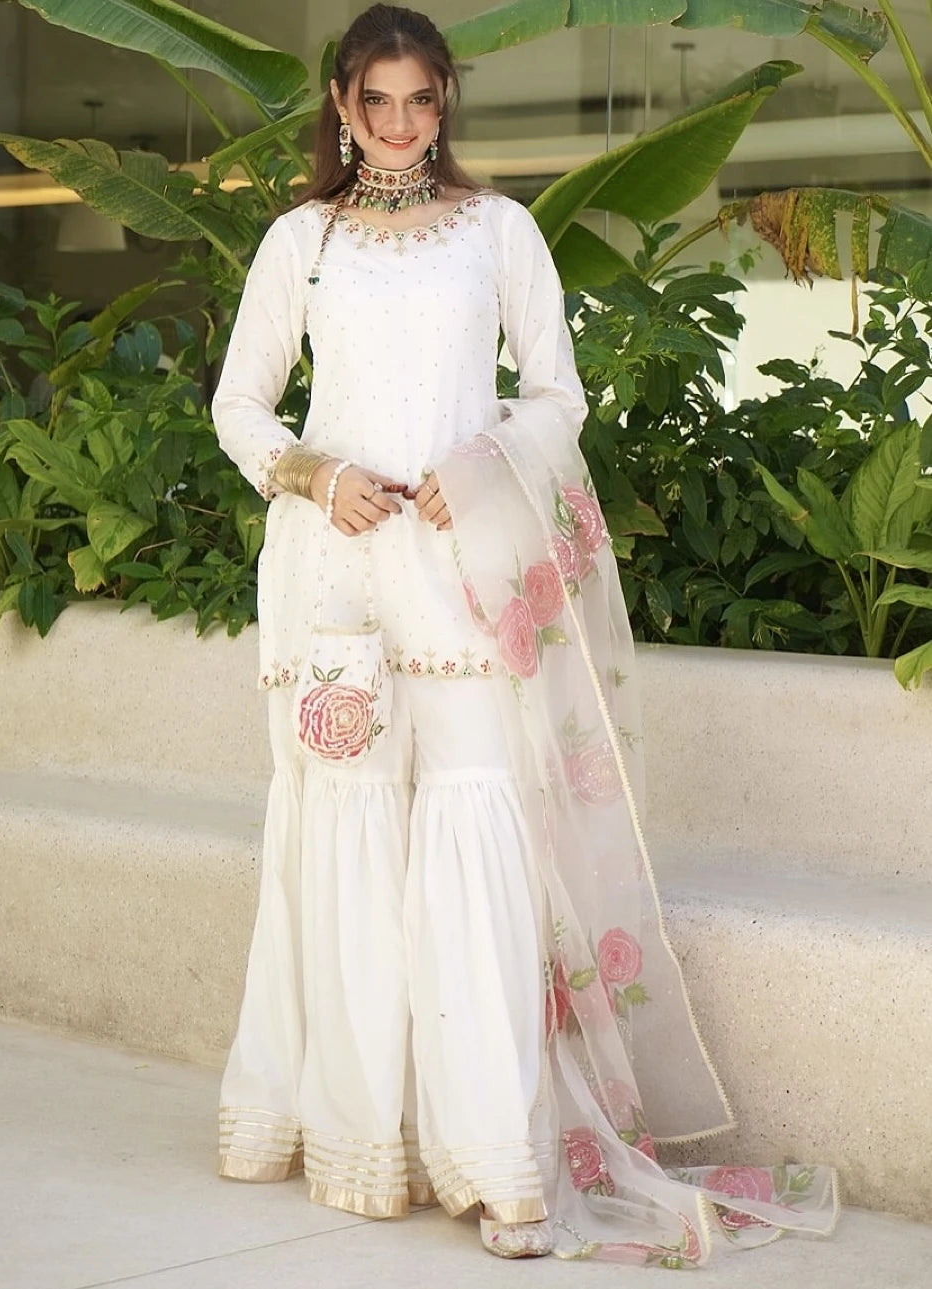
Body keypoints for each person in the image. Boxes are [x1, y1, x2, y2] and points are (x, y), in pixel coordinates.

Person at [211, 2, 838, 1264]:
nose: (397, 125)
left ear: (448, 104)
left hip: (460, 573)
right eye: (374, 102)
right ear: (340, 106)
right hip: (334, 578)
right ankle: (358, 1132)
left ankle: (501, 1160)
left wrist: (486, 465)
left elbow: (560, 394)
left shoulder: (500, 236)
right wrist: (308, 472)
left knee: (473, 825)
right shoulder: (301, 243)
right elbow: (238, 399)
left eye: (421, 100)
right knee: (344, 839)